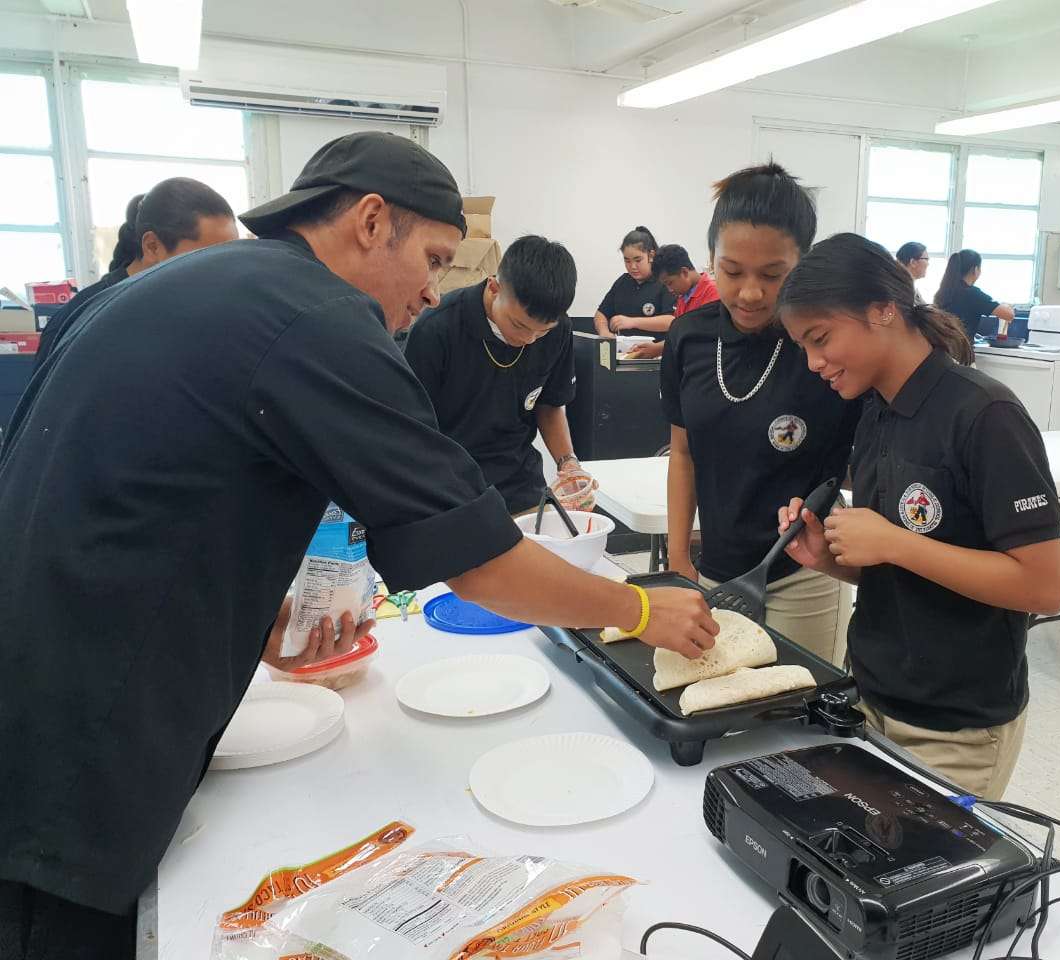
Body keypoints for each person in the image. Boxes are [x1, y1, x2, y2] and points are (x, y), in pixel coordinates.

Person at [0, 132, 716, 960]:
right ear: (372, 222)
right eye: (437, 259)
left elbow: (138, 485)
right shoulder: (319, 316)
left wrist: (238, 600)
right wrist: (634, 607)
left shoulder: (192, 286)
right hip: (75, 745)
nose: (431, 291)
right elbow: (477, 561)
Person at [775, 232, 1060, 799]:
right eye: (802, 348)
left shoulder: (986, 415)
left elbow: (1044, 586)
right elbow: (906, 567)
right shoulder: (875, 412)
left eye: (820, 339)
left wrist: (894, 543)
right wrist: (832, 559)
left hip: (955, 726)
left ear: (883, 310)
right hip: (873, 698)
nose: (813, 364)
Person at [661, 164, 863, 663]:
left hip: (806, 573)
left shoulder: (824, 345)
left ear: (804, 264)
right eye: (731, 271)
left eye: (773, 275)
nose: (750, 293)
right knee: (720, 702)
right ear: (710, 258)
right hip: (715, 565)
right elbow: (682, 454)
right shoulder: (689, 338)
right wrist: (680, 554)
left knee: (796, 711)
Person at [403, 235, 595, 515]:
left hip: (520, 484)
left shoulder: (558, 331)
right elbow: (414, 429)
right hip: (450, 488)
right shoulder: (438, 328)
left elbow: (550, 404)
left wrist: (569, 464)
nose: (530, 339)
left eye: (541, 331)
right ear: (494, 288)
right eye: (519, 325)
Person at [35, 178, 238, 367]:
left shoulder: (190, 309)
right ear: (152, 247)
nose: (221, 276)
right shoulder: (83, 321)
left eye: (230, 258)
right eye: (208, 260)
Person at [592, 226, 676, 350]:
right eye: (627, 261)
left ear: (651, 255)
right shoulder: (622, 282)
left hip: (655, 356)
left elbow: (671, 321)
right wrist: (605, 333)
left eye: (638, 260)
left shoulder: (664, 282)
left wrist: (632, 322)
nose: (633, 266)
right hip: (622, 354)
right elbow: (600, 314)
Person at [934, 249, 1014, 344]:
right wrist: (1006, 306)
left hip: (940, 350)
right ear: (976, 270)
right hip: (960, 352)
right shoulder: (973, 293)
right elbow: (1008, 314)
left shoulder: (944, 291)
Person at [653, 243, 720, 318]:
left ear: (684, 272)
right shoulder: (683, 296)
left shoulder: (714, 294)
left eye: (670, 283)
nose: (670, 290)